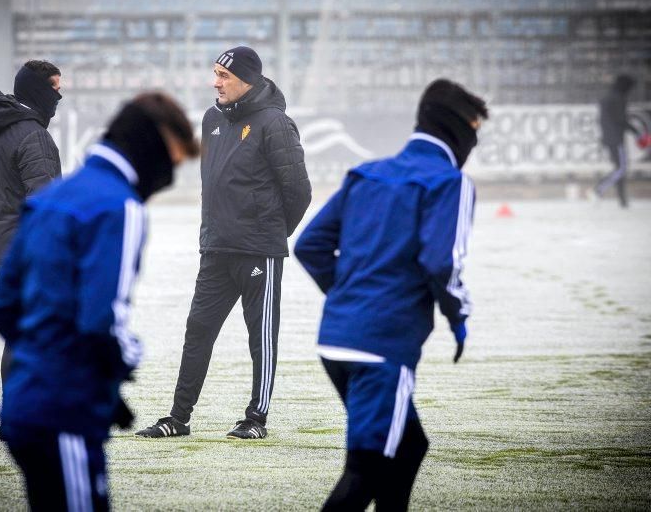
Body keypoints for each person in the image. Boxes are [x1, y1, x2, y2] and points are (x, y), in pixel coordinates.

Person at [0, 92, 199, 510]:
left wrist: (40, 356)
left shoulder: (53, 196)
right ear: (150, 146)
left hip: (21, 407)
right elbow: (102, 320)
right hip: (65, 409)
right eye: (173, 160)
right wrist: (117, 367)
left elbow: (1, 306)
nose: (171, 174)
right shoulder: (119, 205)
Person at [294, 79, 488, 511]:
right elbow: (443, 263)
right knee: (367, 469)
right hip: (382, 348)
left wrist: (347, 296)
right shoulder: (449, 183)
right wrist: (458, 318)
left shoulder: (368, 174)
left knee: (408, 446)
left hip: (335, 340)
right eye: (475, 129)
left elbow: (309, 244)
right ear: (459, 131)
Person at [136, 45, 311, 440]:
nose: (215, 82)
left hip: (258, 251)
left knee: (260, 335)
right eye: (214, 73)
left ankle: (256, 419)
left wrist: (271, 234)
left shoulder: (275, 123)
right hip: (215, 248)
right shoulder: (211, 119)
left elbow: (299, 191)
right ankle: (178, 418)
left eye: (224, 75)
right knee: (198, 329)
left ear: (247, 80)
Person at [0, 59, 63, 440]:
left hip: (6, 246)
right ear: (37, 90)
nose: (60, 95)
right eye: (55, 87)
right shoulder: (33, 136)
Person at [594, 74, 640, 208]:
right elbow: (621, 120)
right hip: (616, 139)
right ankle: (599, 189)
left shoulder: (606, 98)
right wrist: (637, 133)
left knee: (620, 168)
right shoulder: (619, 99)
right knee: (621, 168)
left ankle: (622, 199)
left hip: (608, 138)